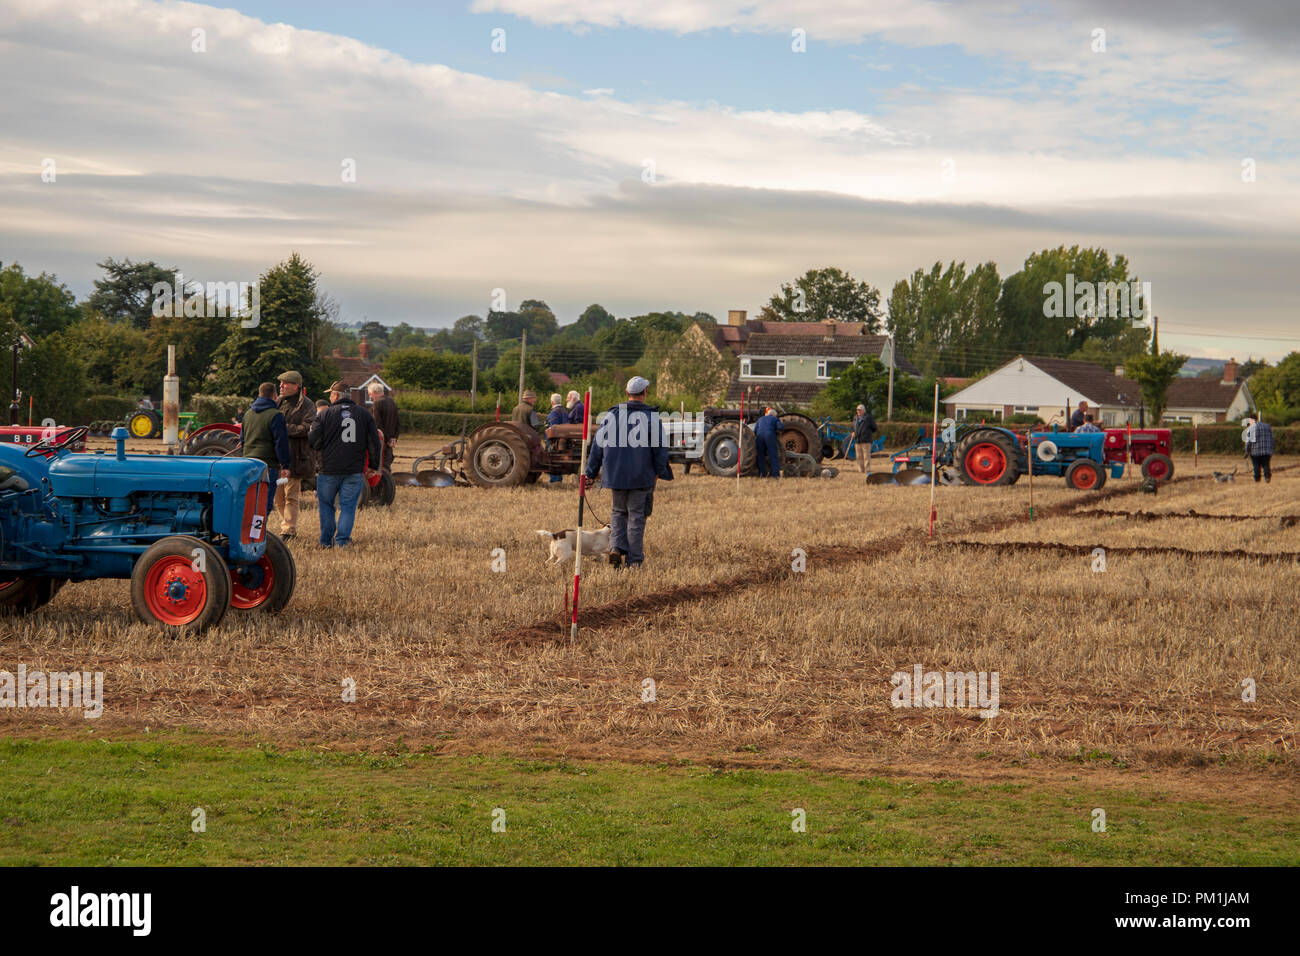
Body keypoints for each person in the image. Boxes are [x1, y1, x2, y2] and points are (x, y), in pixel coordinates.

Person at [584, 376, 673, 569]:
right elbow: (660, 449)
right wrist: (659, 472)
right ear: (644, 393)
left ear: (626, 393)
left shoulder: (610, 417)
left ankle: (616, 547)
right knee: (636, 516)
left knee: (618, 512)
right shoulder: (651, 418)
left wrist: (590, 473)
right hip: (642, 476)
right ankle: (634, 561)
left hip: (615, 475)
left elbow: (597, 447)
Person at [308, 381, 381, 549]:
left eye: (330, 394)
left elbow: (312, 440)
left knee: (326, 506)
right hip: (354, 469)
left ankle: (326, 541)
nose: (329, 397)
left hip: (328, 469)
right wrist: (373, 466)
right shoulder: (364, 414)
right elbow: (374, 443)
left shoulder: (324, 415)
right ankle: (343, 541)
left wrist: (320, 447)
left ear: (335, 396)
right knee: (348, 506)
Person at [273, 371, 316, 541]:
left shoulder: (307, 405)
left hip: (295, 458)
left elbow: (307, 428)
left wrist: (283, 429)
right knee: (277, 496)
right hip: (277, 459)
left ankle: (288, 530)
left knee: (291, 495)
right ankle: (286, 524)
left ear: (296, 386)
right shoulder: (277, 402)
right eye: (281, 383)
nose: (281, 386)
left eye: (285, 383)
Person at [238, 382, 292, 494]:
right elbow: (281, 443)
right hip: (268, 465)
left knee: (252, 502)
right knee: (265, 503)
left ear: (259, 395)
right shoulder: (276, 415)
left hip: (248, 463)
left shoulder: (248, 414)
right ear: (275, 396)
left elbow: (242, 440)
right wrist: (285, 465)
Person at [368, 382, 399, 470]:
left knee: (380, 467)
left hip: (382, 441)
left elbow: (377, 424)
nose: (370, 397)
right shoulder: (392, 402)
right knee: (387, 465)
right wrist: (394, 438)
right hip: (390, 441)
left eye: (370, 394)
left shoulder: (377, 403)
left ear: (374, 392)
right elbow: (398, 422)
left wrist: (388, 439)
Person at [753, 407, 782, 478]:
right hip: (769, 436)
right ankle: (775, 475)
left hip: (759, 437)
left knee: (760, 456)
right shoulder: (775, 419)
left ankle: (762, 474)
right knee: (773, 455)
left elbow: (755, 430)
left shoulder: (760, 419)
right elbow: (780, 427)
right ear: (774, 415)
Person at [545, 393, 568, 484]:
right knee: (559, 459)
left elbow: (552, 428)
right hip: (563, 440)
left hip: (554, 441)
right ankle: (558, 479)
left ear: (552, 402)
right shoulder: (564, 411)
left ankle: (555, 480)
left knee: (553, 459)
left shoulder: (554, 412)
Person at [1244, 415, 1274, 483]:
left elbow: (1249, 441)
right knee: (1266, 464)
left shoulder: (1252, 428)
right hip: (1267, 451)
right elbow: (1272, 438)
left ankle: (1257, 479)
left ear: (1252, 419)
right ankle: (1267, 477)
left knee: (1256, 466)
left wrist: (1247, 451)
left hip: (1255, 451)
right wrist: (1272, 449)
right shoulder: (1267, 426)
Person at [853, 404, 877, 477]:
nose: (858, 411)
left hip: (866, 441)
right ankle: (861, 470)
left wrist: (867, 433)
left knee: (866, 456)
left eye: (860, 410)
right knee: (859, 456)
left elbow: (874, 428)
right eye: (857, 410)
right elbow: (853, 427)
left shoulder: (868, 418)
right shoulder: (855, 418)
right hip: (857, 440)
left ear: (863, 410)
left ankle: (867, 470)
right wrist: (853, 432)